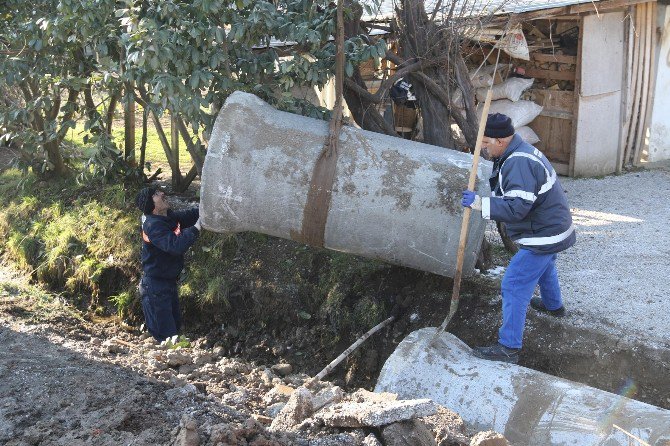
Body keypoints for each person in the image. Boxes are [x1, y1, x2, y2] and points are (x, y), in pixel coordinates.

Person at [461, 113, 576, 363]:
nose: (483, 148)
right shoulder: (516, 152)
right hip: (553, 227)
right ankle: (554, 307)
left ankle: (509, 347)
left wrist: (480, 203)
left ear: (501, 141)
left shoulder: (518, 162)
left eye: (486, 143)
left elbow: (517, 208)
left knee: (514, 284)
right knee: (545, 265)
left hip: (544, 232)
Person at [135, 187, 201, 341]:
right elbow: (175, 246)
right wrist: (196, 229)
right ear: (151, 204)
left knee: (174, 332)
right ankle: (165, 362)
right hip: (155, 287)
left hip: (167, 284)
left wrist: (208, 207)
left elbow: (191, 215)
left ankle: (175, 361)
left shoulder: (168, 218)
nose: (162, 194)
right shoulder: (153, 226)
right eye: (156, 194)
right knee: (166, 337)